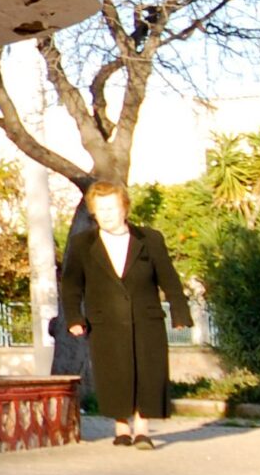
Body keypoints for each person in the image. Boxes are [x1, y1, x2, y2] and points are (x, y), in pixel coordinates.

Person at [60, 180, 193, 447]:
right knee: (114, 374)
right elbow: (72, 285)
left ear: (124, 208)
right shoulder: (82, 243)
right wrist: (74, 317)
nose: (107, 214)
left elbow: (168, 278)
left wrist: (180, 312)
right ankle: (121, 427)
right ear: (94, 212)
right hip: (105, 321)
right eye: (101, 209)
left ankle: (142, 429)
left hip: (146, 319)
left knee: (148, 373)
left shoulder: (150, 239)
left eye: (112, 208)